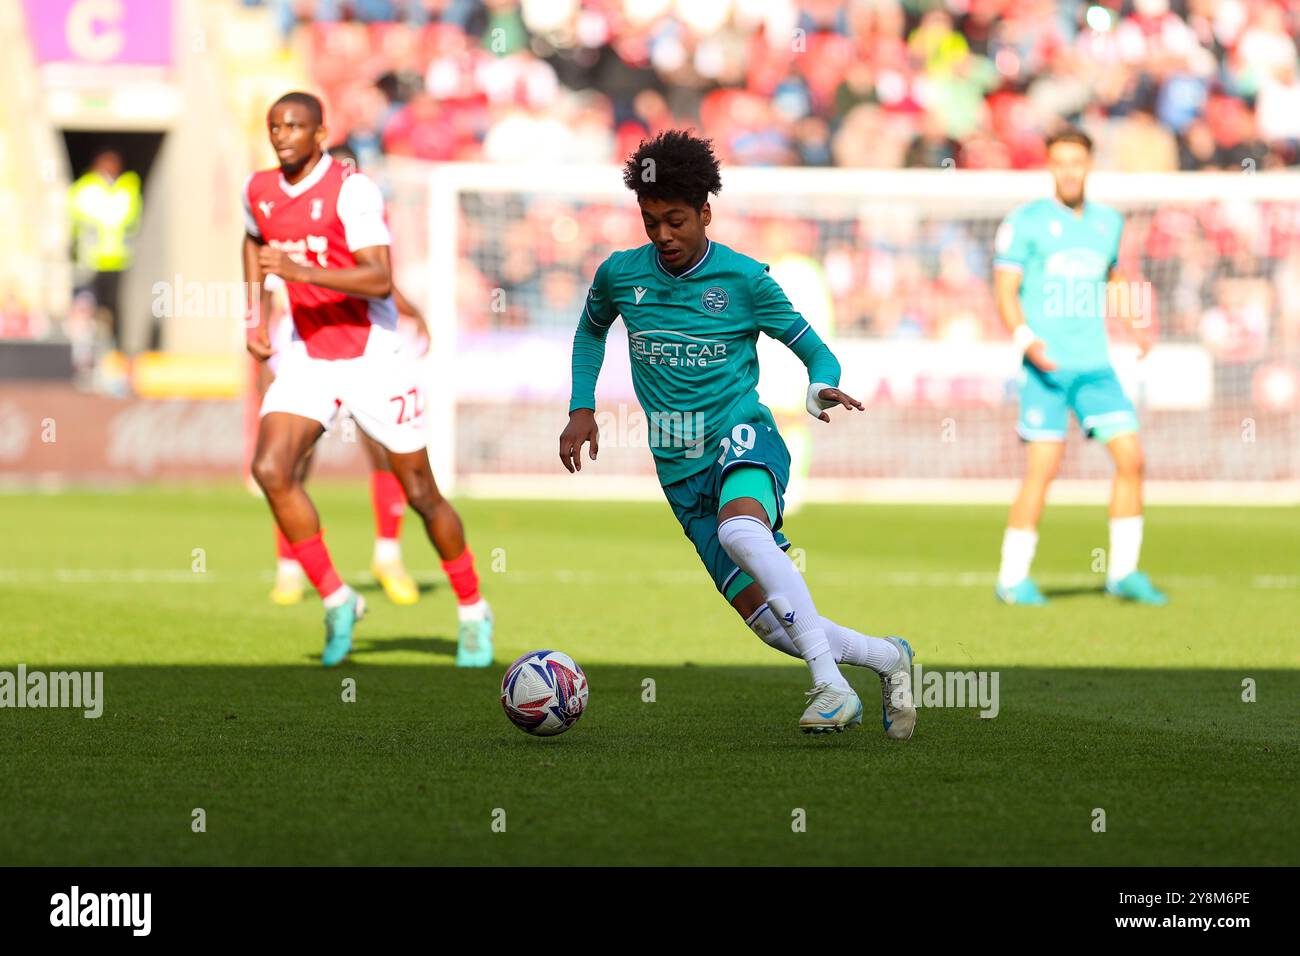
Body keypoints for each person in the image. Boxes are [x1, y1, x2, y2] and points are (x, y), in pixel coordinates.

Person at [559, 130, 916, 739]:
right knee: (774, 626)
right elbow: (591, 331)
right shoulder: (620, 275)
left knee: (742, 529)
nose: (663, 235)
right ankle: (888, 658)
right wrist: (581, 407)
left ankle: (831, 687)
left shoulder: (745, 280)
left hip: (742, 435)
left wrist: (817, 386)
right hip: (677, 466)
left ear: (705, 213)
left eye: (675, 220)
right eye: (651, 223)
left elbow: (815, 351)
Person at [243, 91, 493, 667]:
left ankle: (474, 608)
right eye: (274, 125)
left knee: (422, 492)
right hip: (307, 353)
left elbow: (379, 278)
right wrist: (253, 313)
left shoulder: (352, 190)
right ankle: (337, 597)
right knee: (270, 469)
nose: (282, 135)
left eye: (294, 126)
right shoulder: (258, 190)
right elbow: (252, 241)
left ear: (320, 133)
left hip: (374, 357)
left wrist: (298, 270)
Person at [993, 127, 1167, 606]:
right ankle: (1011, 578)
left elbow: (1111, 276)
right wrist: (1027, 342)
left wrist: (1132, 323)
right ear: (1050, 166)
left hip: (1095, 367)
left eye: (1078, 161)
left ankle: (1124, 573)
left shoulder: (1107, 223)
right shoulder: (1025, 222)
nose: (1069, 170)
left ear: (1090, 165)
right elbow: (1005, 290)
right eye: (1061, 162)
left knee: (1132, 459)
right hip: (1046, 369)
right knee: (1042, 471)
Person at [264, 144, 429, 609]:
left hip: (363, 346)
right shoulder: (290, 215)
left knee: (384, 450)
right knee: (293, 462)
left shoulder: (363, 207)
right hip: (304, 345)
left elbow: (376, 274)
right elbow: (275, 285)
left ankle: (388, 556)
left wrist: (410, 308)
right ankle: (290, 567)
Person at [68, 149, 142, 351]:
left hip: (117, 260)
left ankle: (115, 349)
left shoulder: (127, 189)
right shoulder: (85, 189)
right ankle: (87, 351)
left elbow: (130, 220)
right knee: (87, 308)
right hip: (91, 261)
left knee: (114, 308)